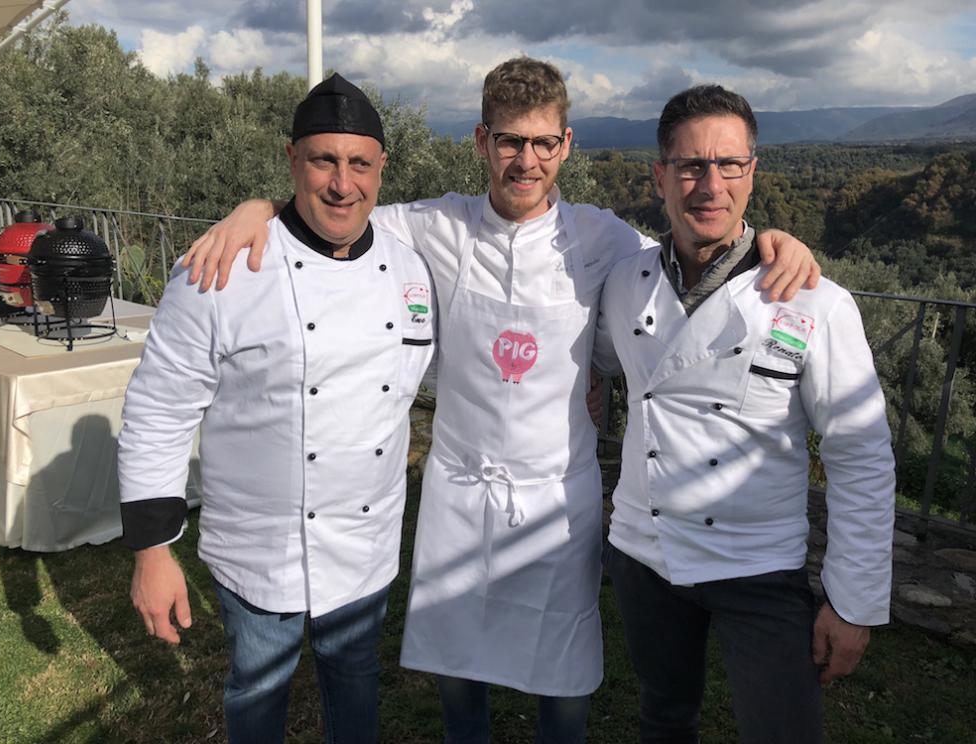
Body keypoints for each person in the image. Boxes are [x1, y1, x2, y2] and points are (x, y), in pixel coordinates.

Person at [181, 59, 820, 743]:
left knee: (564, 681)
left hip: (557, 498)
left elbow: (695, 251)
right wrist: (259, 209)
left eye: (544, 143)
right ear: (483, 141)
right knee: (460, 674)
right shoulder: (434, 226)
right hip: (460, 491)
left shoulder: (603, 238)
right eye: (511, 141)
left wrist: (772, 245)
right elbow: (336, 210)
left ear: (566, 146)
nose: (527, 160)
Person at [117, 74, 435, 744]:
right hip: (259, 556)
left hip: (365, 551)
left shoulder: (411, 269)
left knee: (356, 681)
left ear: (382, 169)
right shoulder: (222, 269)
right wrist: (152, 551)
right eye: (323, 160)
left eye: (358, 163)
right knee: (256, 692)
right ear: (292, 159)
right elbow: (158, 410)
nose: (342, 184)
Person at [593, 84, 895, 744]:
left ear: (751, 174)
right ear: (660, 176)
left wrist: (853, 602)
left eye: (728, 164)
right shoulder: (622, 282)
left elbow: (861, 456)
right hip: (643, 554)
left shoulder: (816, 303)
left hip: (757, 565)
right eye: (690, 165)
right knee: (663, 715)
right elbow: (594, 360)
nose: (710, 184)